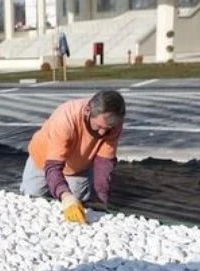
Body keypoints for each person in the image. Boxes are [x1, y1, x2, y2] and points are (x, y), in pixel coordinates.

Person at [20, 89, 126, 225]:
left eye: (108, 128)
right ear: (88, 111)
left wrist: (99, 198)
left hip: (77, 167)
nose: (102, 132)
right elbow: (53, 166)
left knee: (79, 201)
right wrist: (66, 196)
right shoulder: (66, 118)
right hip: (43, 159)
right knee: (32, 196)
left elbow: (104, 164)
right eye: (99, 126)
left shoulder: (113, 123)